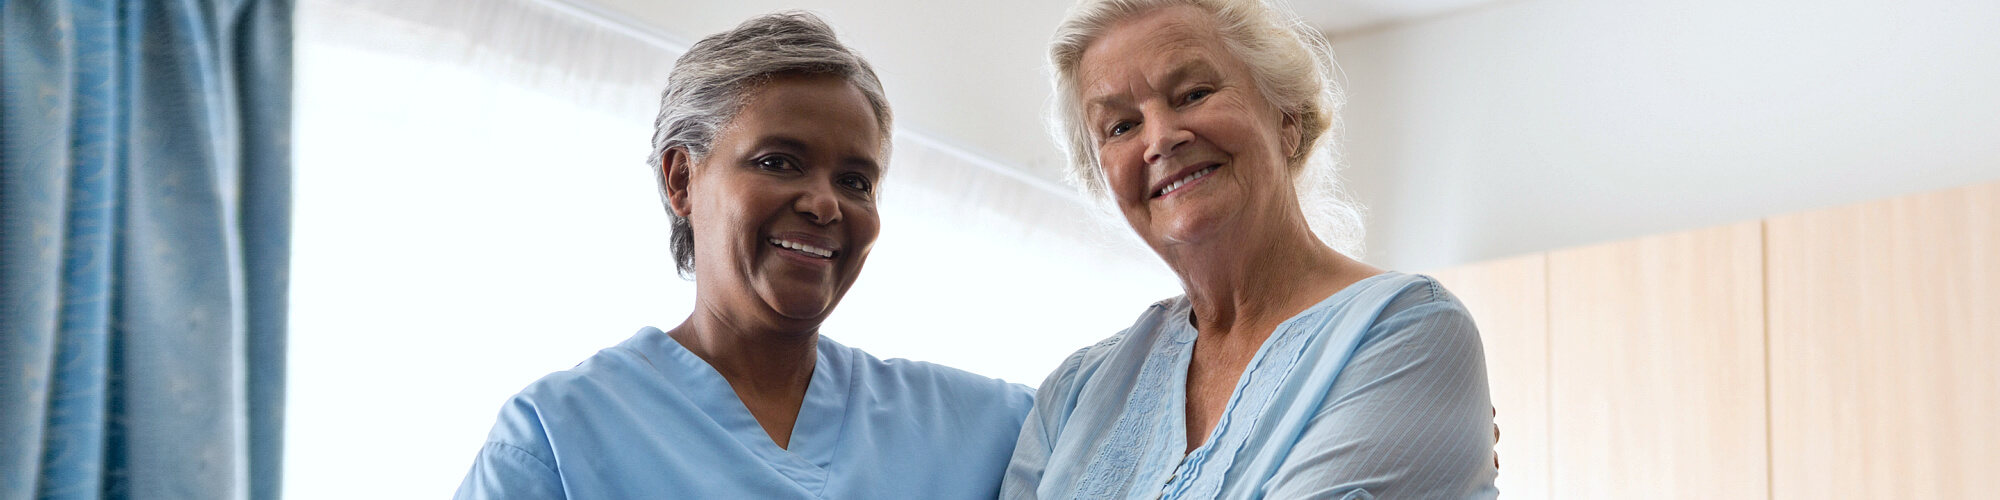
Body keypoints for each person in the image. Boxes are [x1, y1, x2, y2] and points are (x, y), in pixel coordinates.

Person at [454, 12, 1033, 499]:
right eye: (778, 162)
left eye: (856, 182)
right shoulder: (558, 438)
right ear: (682, 178)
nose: (825, 204)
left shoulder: (984, 429)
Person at [1002, 0, 1500, 498]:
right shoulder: (1074, 393)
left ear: (1288, 117)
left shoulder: (1410, 331)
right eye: (1121, 127)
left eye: (1194, 93)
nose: (1160, 139)